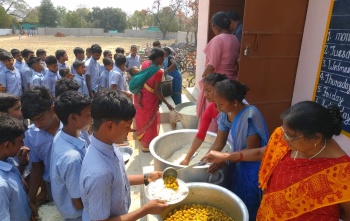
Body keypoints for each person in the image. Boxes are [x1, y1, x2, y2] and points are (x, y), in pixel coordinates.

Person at [202, 101, 350, 221]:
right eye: (283, 130)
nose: (283, 139)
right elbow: (263, 152)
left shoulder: (343, 174)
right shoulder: (284, 136)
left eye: (290, 135)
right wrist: (227, 157)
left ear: (316, 138)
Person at [80, 91, 169, 220]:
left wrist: (146, 178)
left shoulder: (108, 145)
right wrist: (145, 210)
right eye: (127, 127)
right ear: (109, 126)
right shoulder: (99, 174)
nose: (129, 132)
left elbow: (117, 179)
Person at [202, 79, 268, 221]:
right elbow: (219, 142)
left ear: (235, 102)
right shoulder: (226, 114)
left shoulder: (250, 116)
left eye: (221, 104)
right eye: (215, 104)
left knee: (249, 201)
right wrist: (207, 158)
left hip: (252, 164)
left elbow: (252, 151)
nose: (217, 108)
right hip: (237, 159)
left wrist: (224, 160)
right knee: (237, 197)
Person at [51, 91, 92, 220]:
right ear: (73, 118)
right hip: (78, 215)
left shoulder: (63, 135)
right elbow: (79, 203)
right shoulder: (71, 158)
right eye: (89, 114)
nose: (92, 118)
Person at [22, 87, 62, 218]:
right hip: (53, 187)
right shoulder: (31, 135)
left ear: (52, 108)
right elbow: (37, 166)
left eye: (41, 118)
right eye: (33, 120)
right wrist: (31, 199)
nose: (37, 124)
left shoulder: (71, 124)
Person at [197, 11, 240, 133]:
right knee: (226, 112)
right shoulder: (235, 39)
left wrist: (204, 76)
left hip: (217, 83)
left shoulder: (218, 39)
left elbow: (213, 64)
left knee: (213, 114)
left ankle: (211, 138)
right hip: (231, 81)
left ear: (215, 26)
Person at [130, 48, 174, 152]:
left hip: (140, 97)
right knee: (151, 123)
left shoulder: (145, 64)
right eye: (163, 57)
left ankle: (142, 141)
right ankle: (148, 145)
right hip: (149, 100)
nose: (164, 59)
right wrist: (167, 104)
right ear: (158, 58)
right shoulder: (158, 72)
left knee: (142, 120)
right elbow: (157, 92)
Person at [180, 73, 227, 165]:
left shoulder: (231, 108)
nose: (205, 95)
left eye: (208, 91)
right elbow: (200, 136)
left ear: (219, 89)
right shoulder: (210, 109)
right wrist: (187, 158)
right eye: (204, 91)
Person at [0, 113, 31, 221]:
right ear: (7, 145)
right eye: (20, 141)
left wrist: (22, 164)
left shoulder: (7, 160)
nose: (23, 145)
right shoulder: (1, 185)